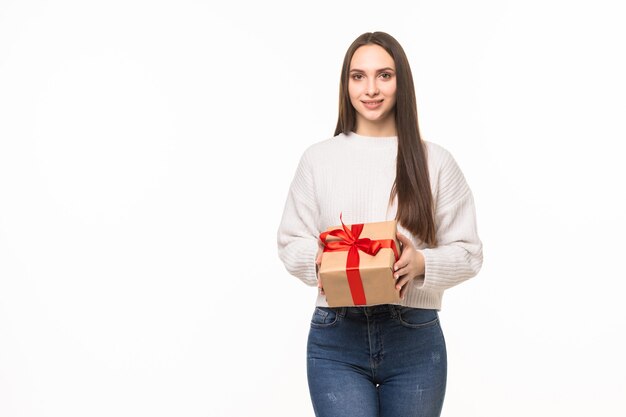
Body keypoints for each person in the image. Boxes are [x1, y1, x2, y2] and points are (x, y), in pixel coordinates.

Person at [276, 31, 483, 417]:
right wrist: (319, 259)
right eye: (358, 76)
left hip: (414, 336)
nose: (371, 88)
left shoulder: (435, 161)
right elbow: (290, 241)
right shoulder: (318, 159)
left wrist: (422, 263)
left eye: (384, 75)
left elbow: (470, 253)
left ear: (401, 81)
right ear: (346, 83)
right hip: (336, 336)